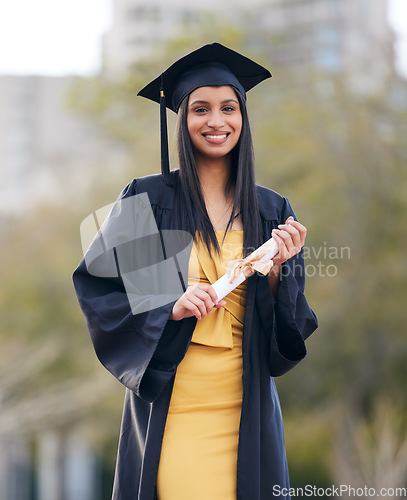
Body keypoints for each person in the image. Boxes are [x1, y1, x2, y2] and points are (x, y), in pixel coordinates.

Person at [73, 42, 318, 500]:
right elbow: (102, 292)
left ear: (243, 119)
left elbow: (290, 327)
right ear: (182, 120)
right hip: (173, 403)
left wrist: (277, 273)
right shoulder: (149, 201)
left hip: (246, 405)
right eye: (200, 109)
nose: (216, 121)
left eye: (229, 108)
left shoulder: (270, 209)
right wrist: (169, 307)